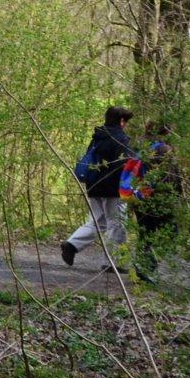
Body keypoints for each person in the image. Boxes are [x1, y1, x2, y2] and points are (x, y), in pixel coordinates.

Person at [61, 105, 136, 271]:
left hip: (94, 185)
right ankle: (112, 263)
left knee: (99, 221)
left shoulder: (98, 136)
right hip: (112, 189)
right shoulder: (121, 139)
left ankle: (72, 245)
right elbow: (124, 165)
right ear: (121, 121)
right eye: (126, 121)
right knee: (116, 223)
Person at [125, 121, 180, 284]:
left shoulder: (137, 146)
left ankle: (142, 269)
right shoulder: (164, 150)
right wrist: (176, 195)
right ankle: (146, 267)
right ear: (166, 132)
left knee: (145, 234)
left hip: (139, 196)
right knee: (172, 231)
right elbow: (172, 176)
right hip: (159, 199)